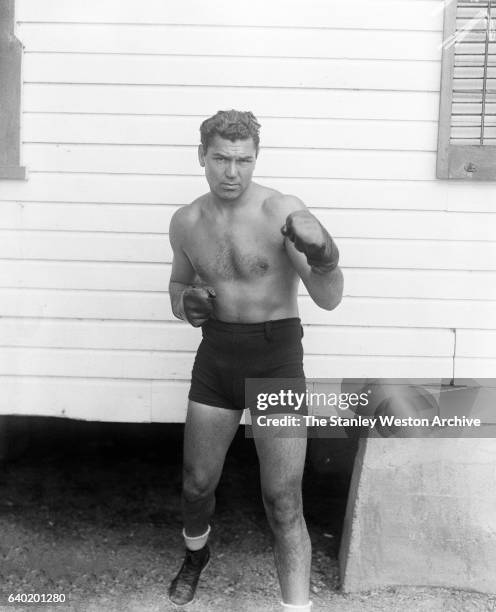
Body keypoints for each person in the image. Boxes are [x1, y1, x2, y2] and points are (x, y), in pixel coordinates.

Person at [167, 110, 343, 611]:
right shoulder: (186, 221)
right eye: (221, 158)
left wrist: (327, 256)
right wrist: (185, 303)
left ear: (255, 158)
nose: (232, 172)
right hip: (217, 358)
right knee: (196, 482)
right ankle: (196, 554)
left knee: (283, 500)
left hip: (276, 361)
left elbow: (329, 298)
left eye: (243, 160)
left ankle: (297, 608)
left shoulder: (280, 210)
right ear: (202, 155)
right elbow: (178, 285)